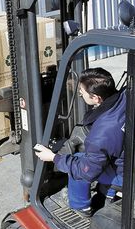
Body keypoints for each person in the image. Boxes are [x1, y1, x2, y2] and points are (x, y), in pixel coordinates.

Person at [34, 67, 126, 216]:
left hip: (127, 175)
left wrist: (54, 157)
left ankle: (80, 208)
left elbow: (87, 171)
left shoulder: (101, 134)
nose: (80, 95)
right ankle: (105, 191)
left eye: (81, 93)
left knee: (77, 163)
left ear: (96, 98)